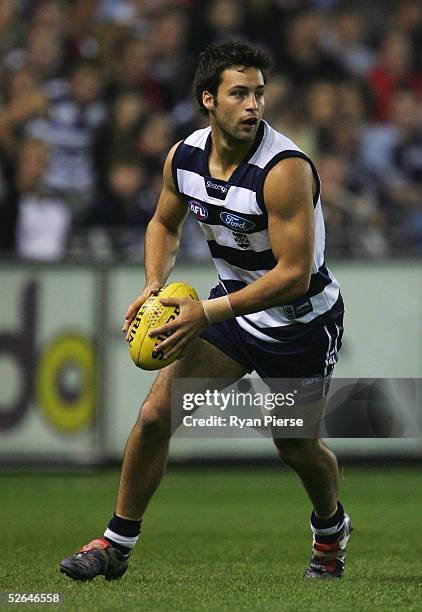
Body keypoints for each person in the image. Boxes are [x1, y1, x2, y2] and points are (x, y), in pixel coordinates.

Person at [60, 40, 351, 582]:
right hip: (232, 314)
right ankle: (115, 543)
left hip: (300, 323)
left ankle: (331, 529)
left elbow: (294, 275)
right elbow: (163, 225)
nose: (253, 106)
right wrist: (153, 286)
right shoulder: (185, 157)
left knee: (294, 444)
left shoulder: (284, 169)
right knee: (153, 418)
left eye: (259, 94)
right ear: (208, 100)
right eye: (239, 94)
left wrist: (207, 312)